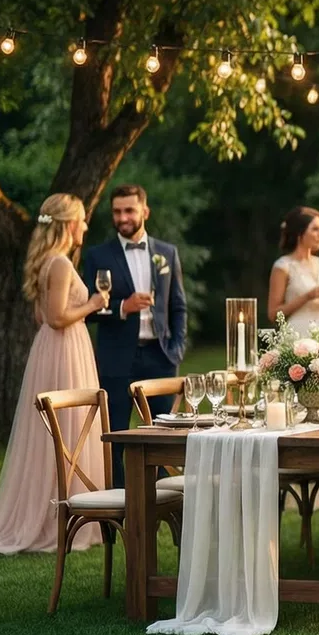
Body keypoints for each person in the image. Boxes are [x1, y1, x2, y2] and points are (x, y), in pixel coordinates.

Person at [0, 195, 109, 554]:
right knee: (67, 430)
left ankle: (68, 510)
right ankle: (62, 517)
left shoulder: (49, 262)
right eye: (82, 220)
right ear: (69, 224)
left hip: (57, 349)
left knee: (65, 431)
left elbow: (41, 318)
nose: (86, 226)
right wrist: (93, 304)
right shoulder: (60, 264)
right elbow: (54, 318)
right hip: (63, 350)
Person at [84, 185, 187, 483]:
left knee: (164, 440)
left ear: (145, 211)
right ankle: (118, 510)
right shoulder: (97, 256)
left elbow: (178, 306)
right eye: (117, 211)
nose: (123, 217)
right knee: (115, 437)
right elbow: (87, 310)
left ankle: (162, 505)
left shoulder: (167, 253)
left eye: (129, 210)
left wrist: (176, 348)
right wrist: (121, 307)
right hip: (117, 358)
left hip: (160, 357)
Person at [268, 206, 319, 335]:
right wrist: (307, 297)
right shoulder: (283, 266)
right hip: (296, 336)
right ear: (300, 233)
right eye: (315, 229)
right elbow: (273, 314)